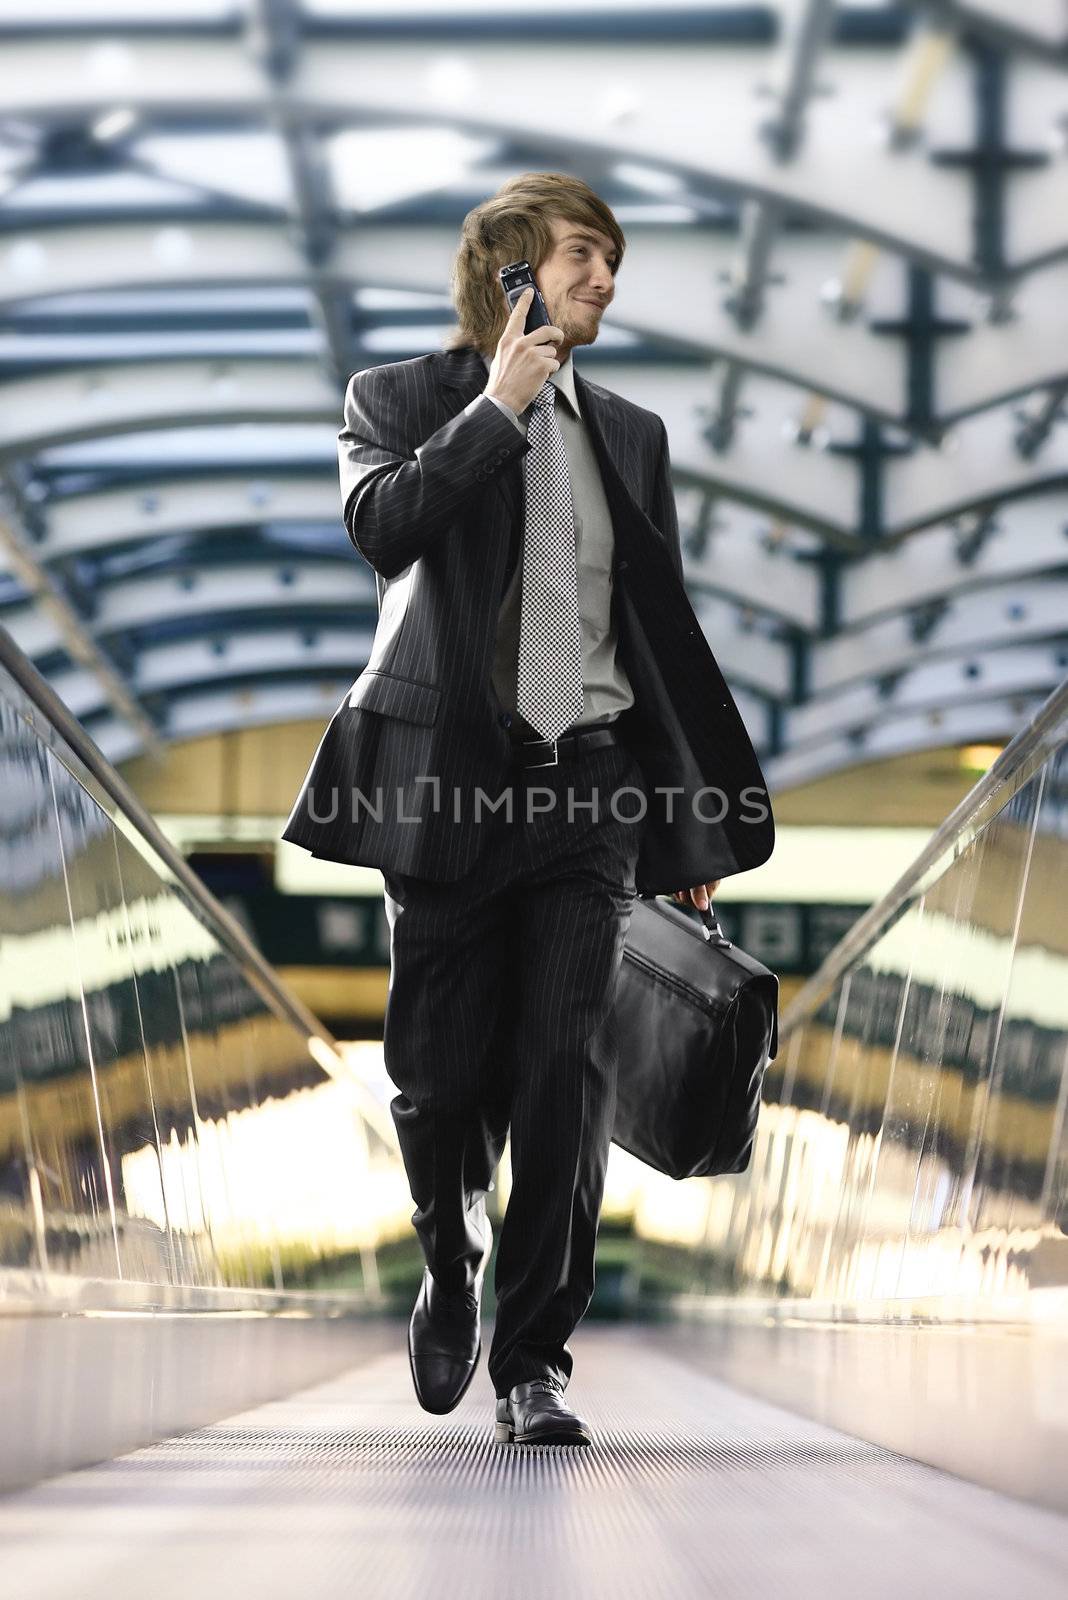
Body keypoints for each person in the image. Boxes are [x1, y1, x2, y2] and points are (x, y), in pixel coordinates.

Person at [282, 172, 774, 1448]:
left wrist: (686, 825)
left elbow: (654, 638)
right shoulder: (393, 401)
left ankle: (533, 1362)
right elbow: (383, 528)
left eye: (613, 260)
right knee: (437, 1083)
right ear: (508, 272)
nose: (606, 279)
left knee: (569, 1070)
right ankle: (447, 1256)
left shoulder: (633, 434)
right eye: (579, 257)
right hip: (448, 785)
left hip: (591, 789)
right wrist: (495, 411)